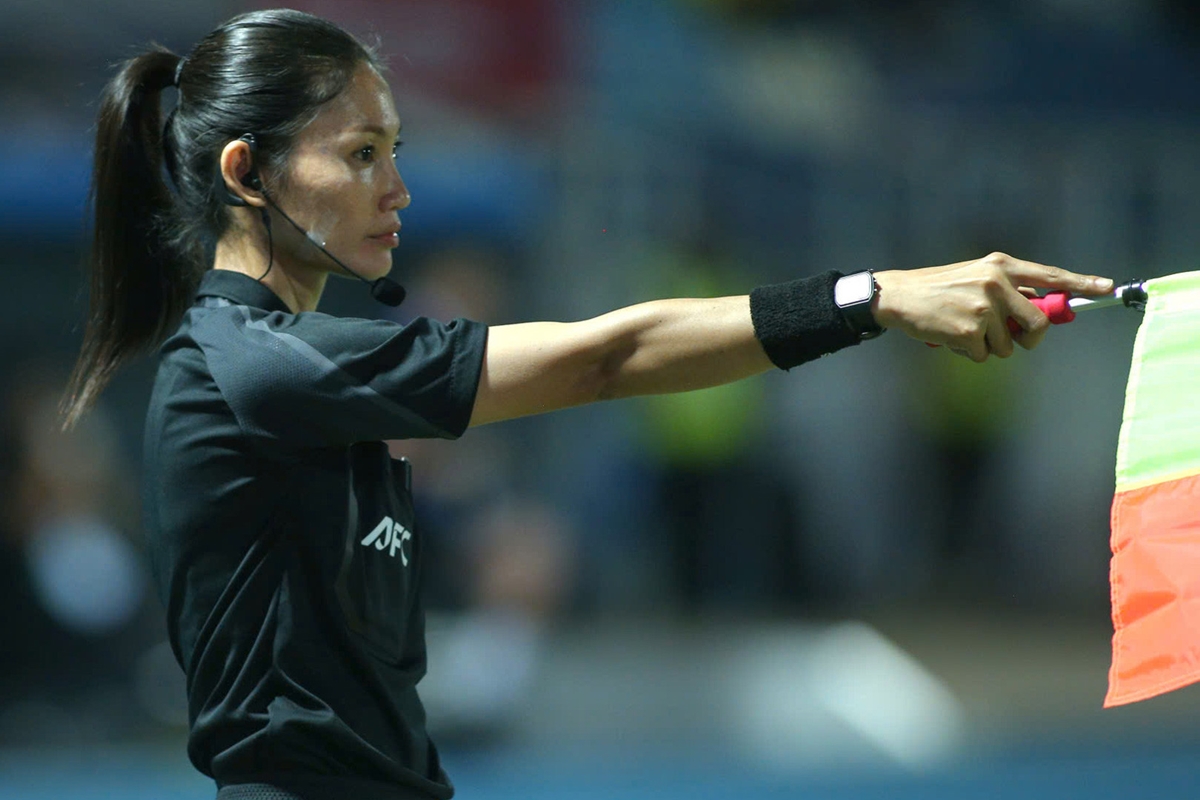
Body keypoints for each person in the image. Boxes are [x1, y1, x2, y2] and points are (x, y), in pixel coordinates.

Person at [58, 9, 1114, 800]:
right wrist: (871, 297)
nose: (397, 188)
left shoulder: (293, 377)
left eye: (396, 151)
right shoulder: (253, 367)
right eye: (361, 154)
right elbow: (610, 357)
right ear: (248, 172)